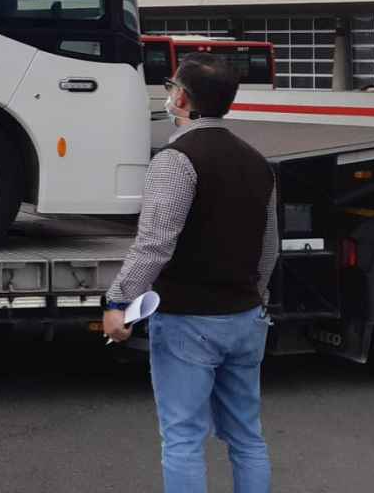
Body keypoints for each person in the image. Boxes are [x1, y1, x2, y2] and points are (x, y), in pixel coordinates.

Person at [103, 52, 278, 493]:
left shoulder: (175, 160)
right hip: (244, 317)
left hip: (187, 320)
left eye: (170, 88)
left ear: (181, 98)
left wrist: (119, 301)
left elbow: (155, 243)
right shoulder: (259, 163)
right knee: (246, 438)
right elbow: (269, 247)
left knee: (182, 438)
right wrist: (258, 297)